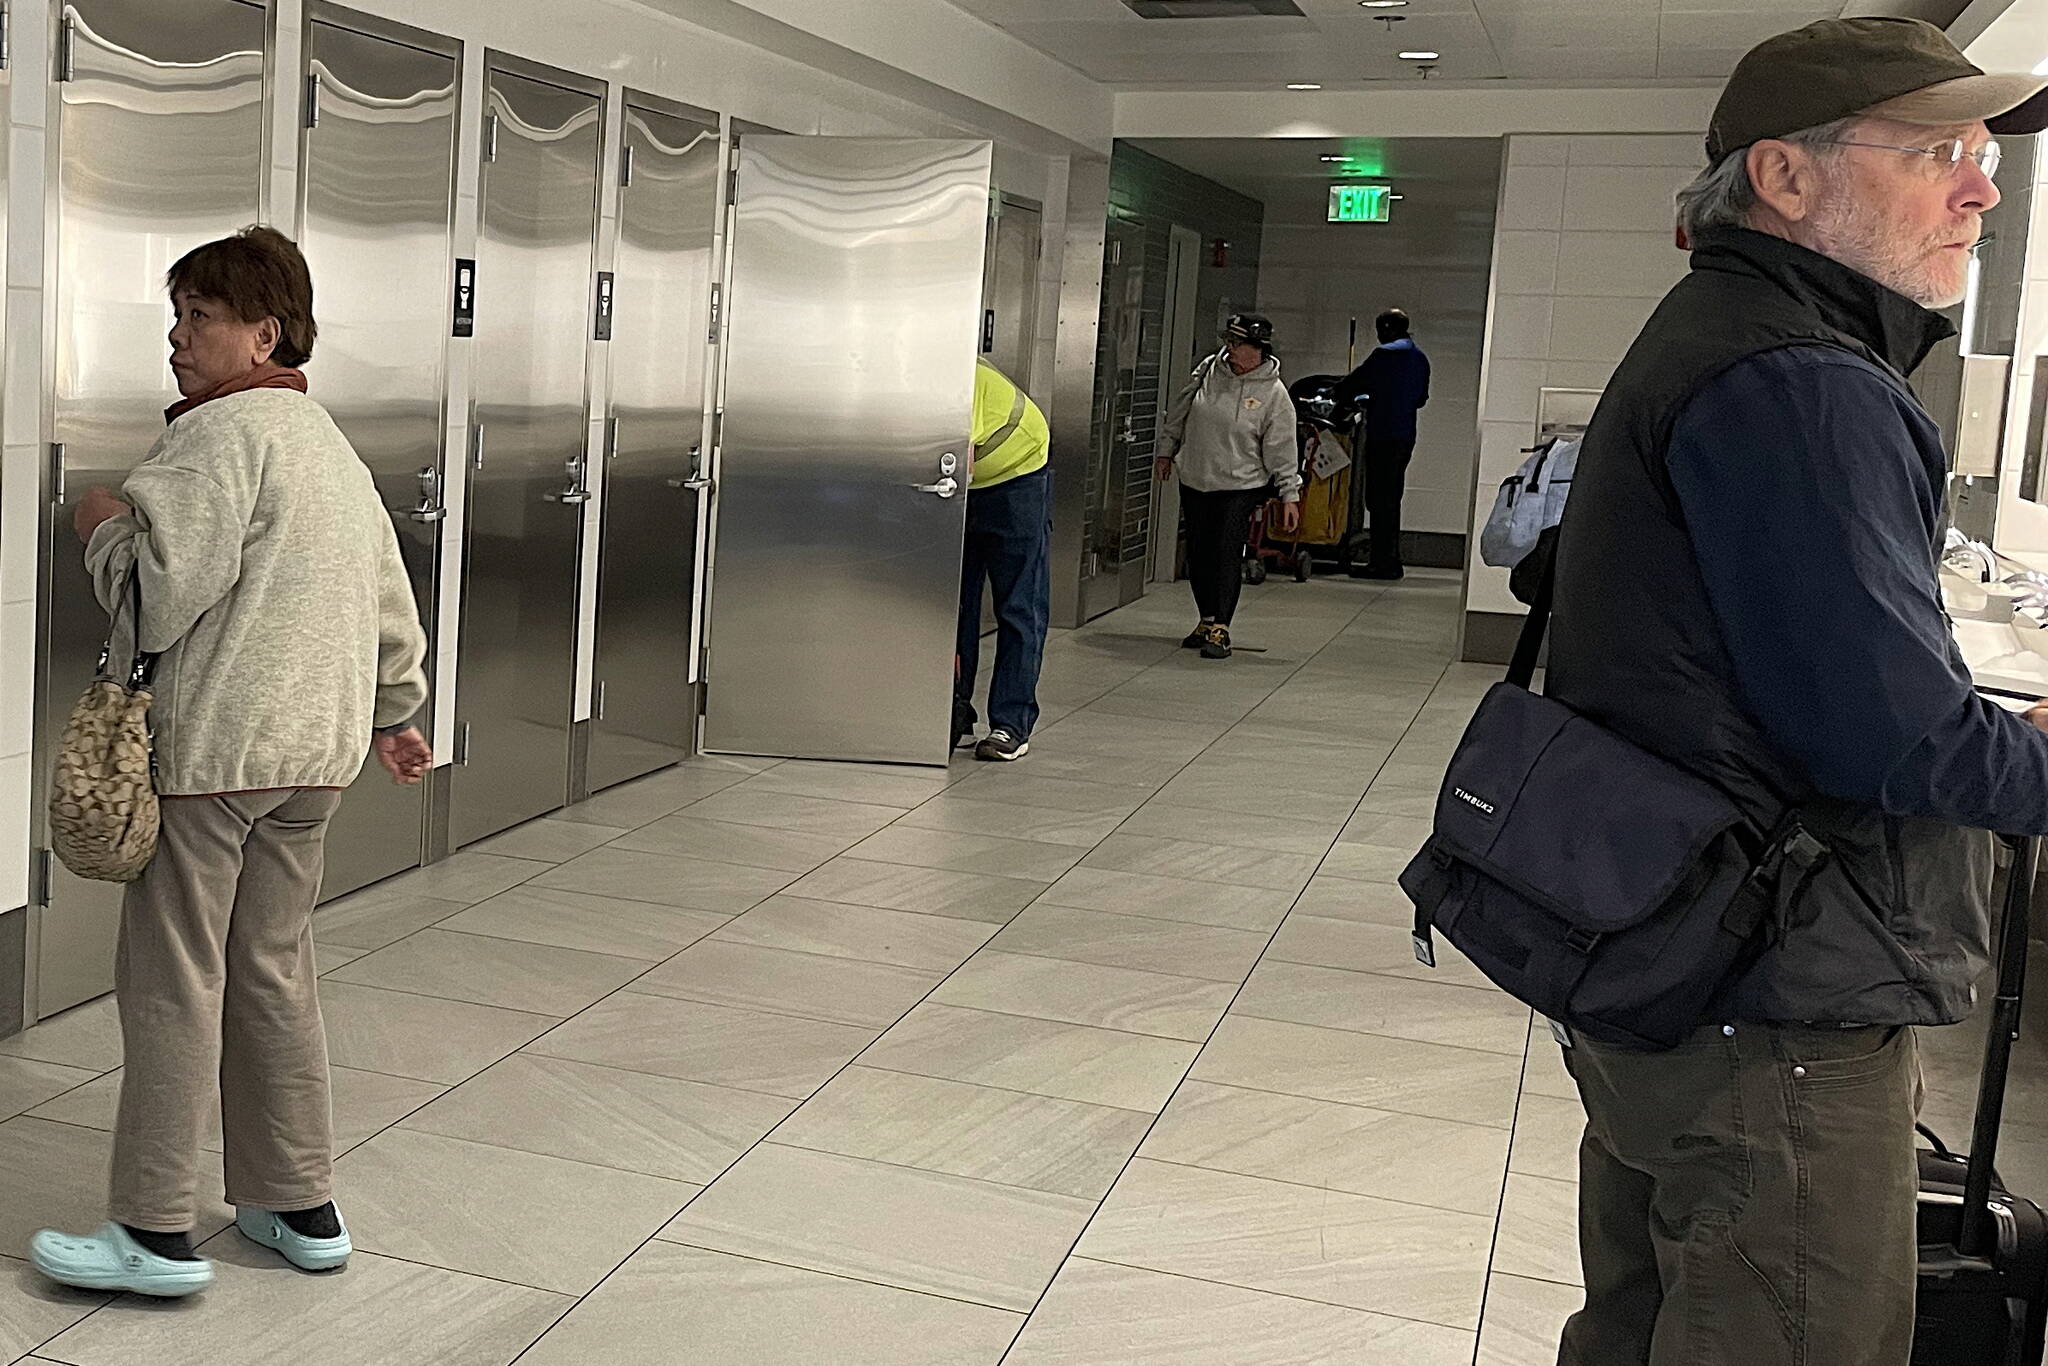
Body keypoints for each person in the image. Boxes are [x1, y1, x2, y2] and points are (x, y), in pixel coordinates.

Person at [1545, 18, 2048, 1364]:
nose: (1982, 189)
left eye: (1985, 156)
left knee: (1648, 1317)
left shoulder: (1721, 333)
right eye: (1940, 151)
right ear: (1784, 176)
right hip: (1769, 998)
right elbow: (1890, 736)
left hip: (1668, 951)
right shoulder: (1801, 380)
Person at [30, 225, 430, 1298]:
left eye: (200, 318)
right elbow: (388, 603)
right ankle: (295, 1203)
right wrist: (397, 711)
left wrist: (101, 525)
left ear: (265, 330)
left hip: (218, 757)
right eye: (178, 316)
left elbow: (162, 589)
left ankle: (155, 1231)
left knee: (171, 983)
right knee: (273, 969)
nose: (178, 338)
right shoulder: (325, 444)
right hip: (314, 762)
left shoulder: (217, 438)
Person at [1156, 313, 1300, 660]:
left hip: (1241, 484)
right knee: (1199, 553)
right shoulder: (1209, 369)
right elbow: (1181, 411)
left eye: (1238, 344)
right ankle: (1205, 619)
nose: (1229, 349)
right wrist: (1166, 450)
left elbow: (1281, 447)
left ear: (1259, 350)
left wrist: (1289, 493)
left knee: (1225, 552)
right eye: (1229, 342)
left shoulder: (1274, 394)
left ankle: (1222, 626)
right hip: (1196, 476)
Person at [954, 358, 1052, 762]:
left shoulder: (959, 377)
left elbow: (959, 460)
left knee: (1018, 605)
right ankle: (953, 712)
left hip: (1017, 478)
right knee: (950, 604)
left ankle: (1011, 724)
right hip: (967, 483)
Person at [1333, 308, 1429, 579]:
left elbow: (1352, 385)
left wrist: (1340, 393)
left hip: (1382, 435)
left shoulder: (1384, 356)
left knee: (1378, 499)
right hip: (1405, 435)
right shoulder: (1419, 358)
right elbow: (1421, 398)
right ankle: (1390, 559)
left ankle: (1382, 563)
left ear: (1385, 329)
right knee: (1391, 498)